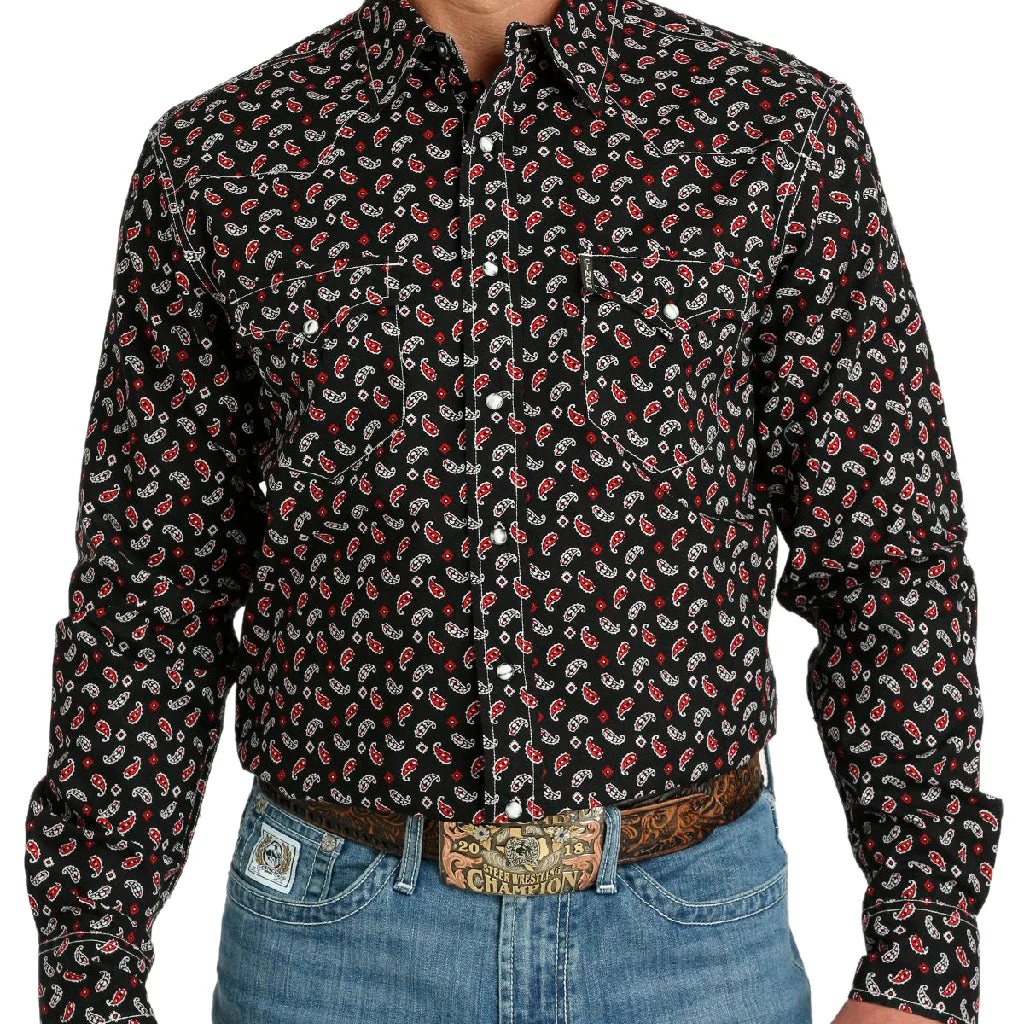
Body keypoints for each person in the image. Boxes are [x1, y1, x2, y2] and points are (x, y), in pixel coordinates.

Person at [24, 1, 1003, 1022]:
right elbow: (150, 593)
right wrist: (91, 972)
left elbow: (886, 556)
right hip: (335, 948)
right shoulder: (224, 160)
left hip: (691, 943)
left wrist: (921, 957)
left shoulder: (774, 132)